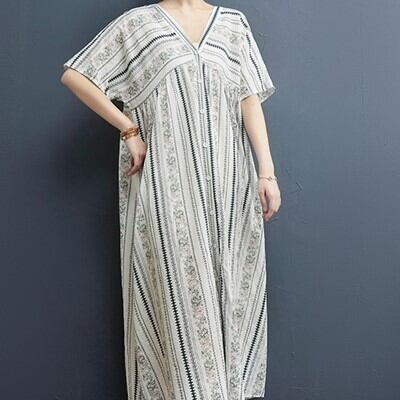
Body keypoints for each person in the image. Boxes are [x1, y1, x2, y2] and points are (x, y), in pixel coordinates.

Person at [60, 1, 281, 399]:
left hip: (231, 185)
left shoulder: (232, 24)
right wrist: (129, 129)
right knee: (179, 300)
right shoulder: (139, 25)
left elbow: (248, 97)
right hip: (169, 189)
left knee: (235, 293)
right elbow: (75, 76)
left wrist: (266, 172)